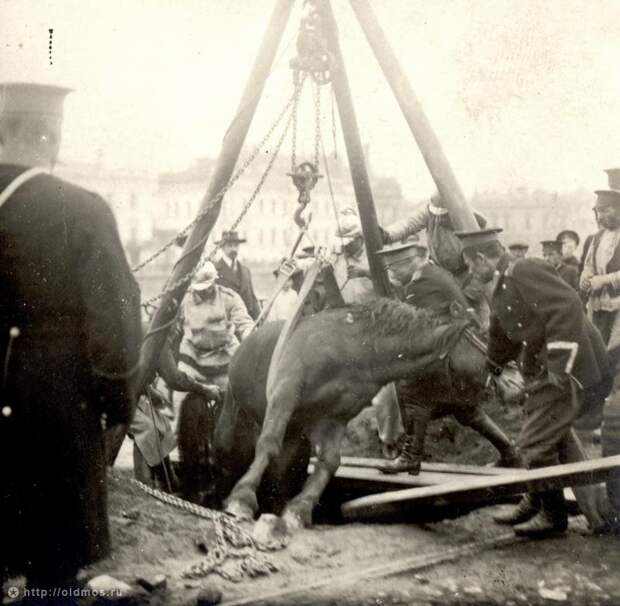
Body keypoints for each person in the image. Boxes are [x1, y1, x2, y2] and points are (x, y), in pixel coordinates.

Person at [0, 83, 142, 590]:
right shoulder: (82, 210)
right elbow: (118, 327)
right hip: (54, 417)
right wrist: (116, 405)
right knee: (51, 573)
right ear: (53, 136)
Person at [456, 227, 611, 537]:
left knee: (535, 442)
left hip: (573, 366)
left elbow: (566, 307)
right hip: (549, 367)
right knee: (553, 435)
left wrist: (558, 365)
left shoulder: (523, 270)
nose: (471, 272)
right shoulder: (502, 282)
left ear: (483, 258)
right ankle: (568, 508)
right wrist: (493, 368)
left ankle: (553, 516)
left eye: (472, 265)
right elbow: (502, 331)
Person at [374, 240, 471, 473]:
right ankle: (509, 451)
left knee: (412, 394)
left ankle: (410, 456)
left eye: (395, 269)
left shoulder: (422, 282)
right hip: (454, 351)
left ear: (410, 263)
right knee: (468, 410)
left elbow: (417, 327)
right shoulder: (433, 274)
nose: (393, 275)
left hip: (443, 354)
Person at [382, 192, 489, 330]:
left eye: (443, 216)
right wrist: (387, 234)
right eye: (436, 215)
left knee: (478, 326)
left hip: (467, 275)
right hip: (441, 275)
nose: (439, 219)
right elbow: (408, 224)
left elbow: (482, 268)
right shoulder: (428, 211)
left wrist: (470, 295)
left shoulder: (469, 219)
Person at [580, 172, 620, 350]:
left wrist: (604, 280)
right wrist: (585, 276)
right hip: (598, 309)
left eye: (604, 210)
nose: (599, 216)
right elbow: (589, 264)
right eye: (598, 210)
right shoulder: (597, 237)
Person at [215, 230, 261, 319]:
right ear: (222, 247)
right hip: (226, 323)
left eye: (236, 245)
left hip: (247, 323)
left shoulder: (245, 271)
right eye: (230, 246)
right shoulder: (215, 270)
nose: (233, 249)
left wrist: (259, 319)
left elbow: (252, 298)